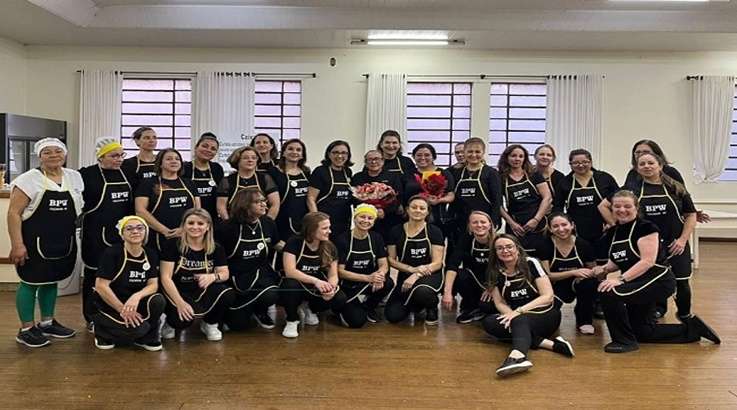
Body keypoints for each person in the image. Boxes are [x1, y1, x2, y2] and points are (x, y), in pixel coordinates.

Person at [593, 190, 720, 353]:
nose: (622, 210)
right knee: (642, 332)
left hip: (657, 281)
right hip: (638, 282)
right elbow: (618, 260)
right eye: (617, 206)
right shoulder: (614, 232)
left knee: (609, 292)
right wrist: (602, 269)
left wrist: (620, 280)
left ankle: (624, 342)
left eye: (627, 206)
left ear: (636, 208)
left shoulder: (646, 227)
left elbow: (647, 261)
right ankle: (692, 330)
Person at [8, 138, 83, 347]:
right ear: (39, 156)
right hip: (33, 242)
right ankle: (26, 329)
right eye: (47, 152)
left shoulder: (74, 177)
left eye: (58, 151)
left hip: (62, 241)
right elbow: (13, 213)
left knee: (52, 280)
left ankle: (47, 323)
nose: (53, 155)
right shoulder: (28, 179)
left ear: (65, 154)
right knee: (30, 282)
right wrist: (17, 244)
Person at [482, 234, 574, 377]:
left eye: (509, 247)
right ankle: (552, 345)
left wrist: (518, 312)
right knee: (489, 323)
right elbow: (499, 302)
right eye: (500, 248)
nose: (505, 251)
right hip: (518, 317)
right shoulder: (494, 270)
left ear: (517, 248)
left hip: (546, 313)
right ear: (495, 252)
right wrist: (509, 315)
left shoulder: (531, 263)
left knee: (519, 320)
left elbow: (547, 296)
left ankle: (518, 356)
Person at [626, 152, 698, 320]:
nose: (646, 166)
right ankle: (656, 311)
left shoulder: (676, 187)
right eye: (642, 164)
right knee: (652, 280)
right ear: (637, 168)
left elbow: (691, 215)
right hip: (648, 247)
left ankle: (685, 314)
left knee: (682, 282)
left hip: (675, 244)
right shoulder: (633, 191)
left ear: (660, 165)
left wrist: (682, 240)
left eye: (650, 163)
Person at [79, 137, 133, 329]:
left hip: (121, 236)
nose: (119, 159)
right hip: (95, 237)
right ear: (101, 157)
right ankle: (91, 317)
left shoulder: (126, 173)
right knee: (94, 277)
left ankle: (114, 313)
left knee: (118, 275)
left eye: (121, 155)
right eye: (114, 155)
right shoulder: (87, 174)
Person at [159, 208, 236, 342]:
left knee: (227, 293)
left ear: (208, 227)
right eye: (191, 223)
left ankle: (210, 323)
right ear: (184, 225)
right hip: (177, 290)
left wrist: (213, 277)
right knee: (182, 322)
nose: (195, 227)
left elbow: (225, 274)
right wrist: (180, 303)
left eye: (200, 224)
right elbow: (165, 278)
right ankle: (170, 324)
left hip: (201, 290)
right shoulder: (172, 245)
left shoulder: (216, 248)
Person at [91, 216, 165, 351]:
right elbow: (101, 286)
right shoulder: (112, 253)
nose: (135, 231)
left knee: (157, 300)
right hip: (110, 304)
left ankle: (147, 336)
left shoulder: (151, 254)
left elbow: (153, 285)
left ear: (145, 232)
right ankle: (102, 332)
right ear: (122, 234)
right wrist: (122, 309)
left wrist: (136, 297)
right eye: (129, 228)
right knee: (137, 330)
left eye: (139, 228)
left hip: (133, 304)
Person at [216, 188, 281, 331]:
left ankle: (259, 310)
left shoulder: (268, 223)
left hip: (261, 273)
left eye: (264, 201)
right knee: (238, 326)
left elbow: (277, 244)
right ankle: (236, 311)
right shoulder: (226, 228)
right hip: (235, 276)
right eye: (258, 202)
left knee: (271, 293)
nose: (264, 205)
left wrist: (298, 249)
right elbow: (216, 256)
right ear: (244, 205)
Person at [279, 212, 347, 338]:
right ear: (311, 229)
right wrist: (316, 281)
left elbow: (333, 275)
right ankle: (292, 320)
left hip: (316, 287)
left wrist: (330, 289)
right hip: (299, 284)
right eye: (325, 228)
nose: (329, 231)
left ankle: (311, 309)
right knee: (289, 284)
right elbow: (290, 271)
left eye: (329, 227)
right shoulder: (294, 242)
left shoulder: (330, 247)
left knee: (340, 298)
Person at [385, 196, 445, 325]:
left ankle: (431, 307)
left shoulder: (435, 231)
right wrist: (410, 269)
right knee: (392, 316)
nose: (418, 210)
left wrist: (416, 274)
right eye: (414, 207)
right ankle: (416, 306)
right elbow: (390, 259)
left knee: (422, 291)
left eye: (422, 208)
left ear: (427, 212)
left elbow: (437, 263)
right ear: (407, 209)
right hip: (406, 275)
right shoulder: (395, 231)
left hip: (429, 274)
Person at [554, 149, 619, 264]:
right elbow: (557, 207)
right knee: (585, 264)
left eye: (585, 162)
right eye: (576, 163)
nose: (581, 165)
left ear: (591, 162)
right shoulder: (565, 182)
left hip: (604, 229)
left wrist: (612, 221)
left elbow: (618, 200)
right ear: (570, 164)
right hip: (577, 231)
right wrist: (564, 227)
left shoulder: (604, 178)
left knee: (604, 263)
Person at [623, 139, 710, 224]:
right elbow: (627, 193)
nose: (640, 154)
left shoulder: (670, 172)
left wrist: (691, 212)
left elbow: (683, 195)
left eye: (646, 152)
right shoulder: (632, 173)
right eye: (637, 152)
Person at [538, 213, 597, 334]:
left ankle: (585, 320)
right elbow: (547, 276)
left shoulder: (583, 245)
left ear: (572, 225)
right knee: (549, 315)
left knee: (589, 284)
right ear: (550, 229)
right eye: (555, 226)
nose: (561, 229)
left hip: (577, 283)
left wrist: (589, 274)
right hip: (555, 285)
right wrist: (574, 272)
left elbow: (593, 271)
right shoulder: (545, 245)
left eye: (564, 225)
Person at [335, 204, 393, 328]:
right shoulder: (342, 239)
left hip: (369, 283)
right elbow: (340, 272)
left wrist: (380, 275)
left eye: (370, 218)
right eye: (362, 217)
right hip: (348, 285)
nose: (366, 221)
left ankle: (369, 306)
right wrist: (367, 278)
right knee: (357, 322)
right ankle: (341, 309)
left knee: (388, 282)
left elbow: (384, 264)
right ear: (354, 218)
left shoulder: (376, 238)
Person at [135, 148, 200, 252]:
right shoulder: (148, 183)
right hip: (158, 237)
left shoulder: (189, 183)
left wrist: (185, 229)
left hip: (186, 235)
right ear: (160, 163)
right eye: (169, 159)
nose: (174, 161)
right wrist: (165, 231)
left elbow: (197, 211)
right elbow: (140, 211)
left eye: (177, 159)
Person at [498, 144, 552, 256]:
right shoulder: (501, 178)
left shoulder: (534, 174)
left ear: (525, 158)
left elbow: (547, 197)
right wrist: (511, 223)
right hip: (516, 225)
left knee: (541, 256)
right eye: (513, 156)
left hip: (538, 224)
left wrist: (536, 220)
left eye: (521, 156)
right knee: (517, 256)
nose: (517, 159)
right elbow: (498, 204)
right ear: (506, 157)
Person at [442, 211, 495, 324]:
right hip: (475, 280)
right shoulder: (465, 240)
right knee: (459, 275)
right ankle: (470, 306)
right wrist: (447, 293)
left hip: (494, 283)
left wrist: (493, 287)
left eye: (483, 222)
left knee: (487, 307)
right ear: (470, 226)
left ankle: (484, 309)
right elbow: (452, 265)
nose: (479, 225)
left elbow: (507, 269)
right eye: (475, 222)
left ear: (490, 225)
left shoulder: (498, 241)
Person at [404, 144, 456, 241]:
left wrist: (439, 200)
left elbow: (451, 195)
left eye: (427, 155)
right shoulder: (408, 173)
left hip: (437, 217)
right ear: (414, 157)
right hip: (412, 217)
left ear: (433, 157)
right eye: (419, 155)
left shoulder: (444, 173)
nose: (423, 158)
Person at [216, 146, 280, 221]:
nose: (250, 160)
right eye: (245, 158)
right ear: (237, 161)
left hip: (260, 224)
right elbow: (221, 207)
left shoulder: (265, 178)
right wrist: (229, 224)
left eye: (253, 158)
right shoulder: (227, 181)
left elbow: (275, 204)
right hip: (234, 224)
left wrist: (267, 224)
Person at [350, 150, 404, 239]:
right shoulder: (357, 177)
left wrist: (385, 211)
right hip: (365, 220)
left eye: (377, 159)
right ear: (365, 162)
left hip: (388, 219)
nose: (373, 162)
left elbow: (399, 197)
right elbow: (354, 200)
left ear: (383, 161)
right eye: (370, 159)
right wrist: (368, 211)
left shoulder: (393, 176)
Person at [306, 140, 354, 240]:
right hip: (324, 222)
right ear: (329, 154)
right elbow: (310, 198)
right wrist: (316, 221)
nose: (340, 156)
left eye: (344, 153)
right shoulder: (320, 171)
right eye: (335, 152)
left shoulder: (348, 172)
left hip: (344, 222)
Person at [453, 137, 503, 230]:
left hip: (483, 224)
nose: (473, 155)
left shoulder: (491, 173)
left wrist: (493, 222)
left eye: (477, 152)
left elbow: (497, 201)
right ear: (464, 152)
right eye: (470, 151)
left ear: (483, 153)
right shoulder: (457, 173)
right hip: (460, 223)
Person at [272, 138, 311, 242]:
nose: (294, 152)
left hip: (303, 219)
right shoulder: (274, 172)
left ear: (302, 155)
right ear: (283, 153)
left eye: (298, 150)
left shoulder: (306, 172)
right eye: (290, 149)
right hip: (281, 220)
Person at [182, 133, 224, 222]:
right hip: (189, 219)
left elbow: (222, 195)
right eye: (205, 146)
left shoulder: (217, 169)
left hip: (213, 218)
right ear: (196, 147)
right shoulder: (184, 168)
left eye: (213, 149)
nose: (208, 150)